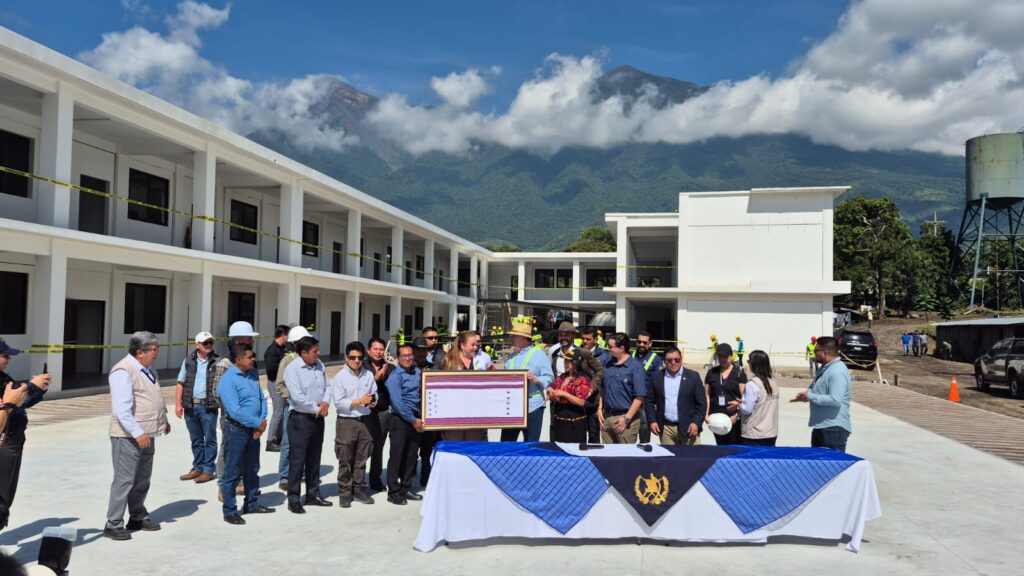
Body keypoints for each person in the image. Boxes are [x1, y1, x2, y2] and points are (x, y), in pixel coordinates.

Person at [103, 331, 170, 541]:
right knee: (124, 481)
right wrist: (137, 432)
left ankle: (137, 515)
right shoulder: (123, 371)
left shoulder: (148, 369)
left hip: (147, 434)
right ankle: (113, 523)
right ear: (140, 352)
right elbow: (121, 409)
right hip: (128, 436)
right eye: (154, 350)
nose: (157, 353)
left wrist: (163, 420)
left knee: (142, 479)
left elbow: (153, 397)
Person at [217, 343, 274, 524]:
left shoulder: (251, 375)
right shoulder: (227, 381)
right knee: (232, 472)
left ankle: (251, 503)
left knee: (252, 469)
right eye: (249, 357)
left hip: (253, 431)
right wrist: (258, 422)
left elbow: (261, 399)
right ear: (238, 359)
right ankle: (230, 511)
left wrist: (262, 421)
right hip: (236, 431)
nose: (252, 360)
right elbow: (235, 411)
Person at [0, 338, 51, 531]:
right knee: (1, 497)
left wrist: (38, 390)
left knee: (7, 494)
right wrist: (30, 385)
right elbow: (8, 403)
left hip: (15, 437)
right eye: (5, 356)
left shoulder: (4, 378)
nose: (8, 360)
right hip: (5, 439)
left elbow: (21, 402)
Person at [283, 335, 333, 513]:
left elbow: (328, 386)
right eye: (315, 351)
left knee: (314, 458)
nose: (318, 354)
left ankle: (313, 494)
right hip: (301, 419)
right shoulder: (292, 370)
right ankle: (294, 499)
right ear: (303, 352)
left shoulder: (320, 365)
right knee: (298, 460)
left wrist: (326, 403)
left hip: (318, 418)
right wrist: (317, 408)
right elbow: (297, 398)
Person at [213, 321, 261, 501]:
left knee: (245, 450)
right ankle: (224, 486)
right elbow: (217, 393)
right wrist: (237, 409)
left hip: (249, 418)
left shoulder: (249, 360)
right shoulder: (225, 363)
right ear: (238, 340)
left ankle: (240, 483)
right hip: (232, 418)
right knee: (228, 450)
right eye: (249, 337)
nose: (252, 341)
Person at [331, 341, 378, 508]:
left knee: (362, 457)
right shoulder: (340, 377)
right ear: (346, 358)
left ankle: (359, 489)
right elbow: (339, 403)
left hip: (365, 421)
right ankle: (344, 491)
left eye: (359, 357)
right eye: (352, 357)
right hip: (347, 422)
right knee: (345, 458)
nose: (356, 360)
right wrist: (359, 401)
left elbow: (374, 395)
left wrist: (371, 402)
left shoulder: (368, 375)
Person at [791, 336, 853, 452]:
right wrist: (806, 396)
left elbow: (835, 400)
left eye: (815, 351)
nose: (813, 354)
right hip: (822, 426)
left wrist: (810, 396)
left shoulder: (837, 371)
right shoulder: (825, 368)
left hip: (833, 429)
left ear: (825, 353)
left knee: (832, 467)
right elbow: (815, 388)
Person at [174, 331, 218, 484]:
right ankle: (198, 467)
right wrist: (178, 404)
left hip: (208, 407)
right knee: (196, 440)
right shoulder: (188, 361)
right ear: (197, 345)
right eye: (206, 343)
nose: (209, 346)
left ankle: (208, 470)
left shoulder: (217, 362)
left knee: (210, 439)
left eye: (211, 343)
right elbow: (180, 383)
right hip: (191, 406)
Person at [501, 321, 554, 442]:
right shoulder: (511, 357)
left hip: (533, 406)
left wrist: (536, 379)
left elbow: (550, 377)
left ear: (524, 338)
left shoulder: (540, 355)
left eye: (514, 335)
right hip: (512, 406)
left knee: (531, 443)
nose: (511, 338)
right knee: (506, 443)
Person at [385, 344, 424, 505]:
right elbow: (398, 403)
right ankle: (393, 492)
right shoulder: (395, 377)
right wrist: (413, 420)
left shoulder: (418, 373)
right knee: (397, 456)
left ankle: (406, 488)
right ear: (398, 358)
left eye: (410, 355)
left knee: (411, 456)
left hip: (415, 418)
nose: (407, 358)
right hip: (400, 419)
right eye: (403, 356)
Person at [645, 346, 706, 446]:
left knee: (692, 460)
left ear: (681, 360)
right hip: (666, 430)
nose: (673, 362)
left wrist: (696, 423)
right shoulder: (656, 377)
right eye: (669, 360)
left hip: (689, 428)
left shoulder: (693, 377)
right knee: (669, 461)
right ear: (664, 361)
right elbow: (649, 402)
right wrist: (652, 421)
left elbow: (702, 404)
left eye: (676, 360)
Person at [275, 325, 310, 491]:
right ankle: (284, 476)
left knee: (304, 443)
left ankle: (301, 473)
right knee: (288, 443)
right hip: (292, 408)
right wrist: (293, 399)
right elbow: (280, 384)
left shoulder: (311, 360)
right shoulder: (288, 360)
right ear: (296, 344)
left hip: (308, 409)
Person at [598, 332, 647, 444]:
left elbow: (639, 397)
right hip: (607, 417)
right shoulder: (608, 364)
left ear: (621, 348)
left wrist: (626, 419)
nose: (608, 349)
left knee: (625, 458)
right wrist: (600, 409)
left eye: (611, 347)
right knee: (607, 457)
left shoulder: (635, 367)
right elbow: (603, 388)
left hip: (625, 420)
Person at [441, 331, 490, 441]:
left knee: (474, 445)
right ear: (462, 345)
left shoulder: (481, 359)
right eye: (472, 345)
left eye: (476, 344)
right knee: (455, 446)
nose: (475, 347)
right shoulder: (449, 361)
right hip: (454, 414)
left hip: (476, 413)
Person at [728, 350, 779, 446]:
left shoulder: (753, 384)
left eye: (749, 361)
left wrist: (739, 405)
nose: (748, 364)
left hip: (755, 434)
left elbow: (747, 409)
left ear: (755, 364)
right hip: (771, 432)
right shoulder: (773, 382)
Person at [364, 337, 394, 492]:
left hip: (382, 412)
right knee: (362, 447)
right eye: (375, 349)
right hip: (364, 412)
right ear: (369, 351)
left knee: (378, 448)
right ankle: (357, 482)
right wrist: (376, 379)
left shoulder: (390, 368)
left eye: (381, 349)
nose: (378, 352)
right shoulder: (361, 366)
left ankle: (375, 480)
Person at [704, 342, 747, 445]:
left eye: (725, 356)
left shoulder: (739, 373)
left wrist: (737, 416)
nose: (722, 359)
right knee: (720, 447)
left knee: (735, 448)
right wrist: (706, 414)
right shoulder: (711, 373)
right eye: (720, 356)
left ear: (731, 356)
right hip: (716, 419)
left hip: (733, 418)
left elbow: (745, 398)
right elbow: (707, 395)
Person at [546, 349, 592, 443]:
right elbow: (555, 391)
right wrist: (550, 391)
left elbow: (581, 402)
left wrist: (564, 394)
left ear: (576, 364)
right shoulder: (562, 377)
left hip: (575, 423)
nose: (565, 363)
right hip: (560, 421)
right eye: (565, 360)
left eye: (568, 361)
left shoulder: (582, 380)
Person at [411, 337, 437, 487]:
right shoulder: (408, 368)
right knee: (410, 450)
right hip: (412, 415)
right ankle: (408, 477)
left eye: (424, 350)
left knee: (426, 451)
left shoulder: (433, 368)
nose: (422, 353)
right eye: (418, 349)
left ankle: (426, 477)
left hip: (429, 415)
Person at [263, 325, 290, 451]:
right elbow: (270, 368)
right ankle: (270, 440)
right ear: (283, 334)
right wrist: (283, 362)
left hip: (282, 383)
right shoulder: (272, 350)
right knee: (278, 412)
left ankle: (279, 438)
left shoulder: (283, 348)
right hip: (274, 383)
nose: (288, 338)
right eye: (287, 335)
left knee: (284, 411)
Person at [632, 331, 662, 443]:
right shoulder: (630, 356)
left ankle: (644, 450)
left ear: (650, 344)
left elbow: (658, 382)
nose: (641, 344)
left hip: (645, 401)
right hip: (630, 400)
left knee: (644, 427)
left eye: (645, 342)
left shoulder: (656, 359)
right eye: (639, 342)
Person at [579, 327, 608, 443]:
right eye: (583, 339)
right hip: (580, 400)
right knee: (579, 434)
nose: (585, 341)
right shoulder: (577, 353)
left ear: (596, 339)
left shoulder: (605, 356)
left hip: (596, 400)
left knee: (594, 433)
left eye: (588, 339)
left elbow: (605, 378)